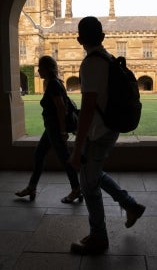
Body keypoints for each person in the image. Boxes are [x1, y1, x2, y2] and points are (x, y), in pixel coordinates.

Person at [70, 16, 145, 255]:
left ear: (79, 39)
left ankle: (98, 237)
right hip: (110, 128)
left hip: (98, 132)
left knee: (88, 185)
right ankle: (130, 205)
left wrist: (77, 146)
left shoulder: (90, 64)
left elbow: (88, 108)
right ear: (102, 37)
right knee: (94, 174)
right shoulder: (109, 59)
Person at [15, 55, 82, 204]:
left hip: (56, 129)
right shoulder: (56, 82)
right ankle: (32, 187)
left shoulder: (53, 84)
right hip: (51, 129)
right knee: (39, 154)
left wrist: (63, 132)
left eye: (40, 67)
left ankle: (76, 189)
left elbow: (61, 108)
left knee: (65, 159)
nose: (38, 70)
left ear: (46, 68)